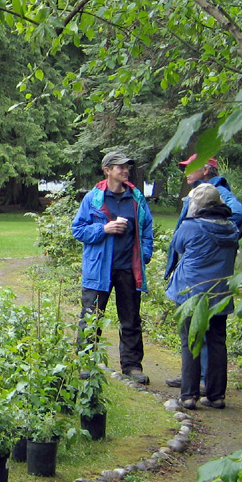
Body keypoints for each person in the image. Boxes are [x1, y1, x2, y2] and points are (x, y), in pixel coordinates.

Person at [164, 154, 242, 389]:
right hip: (212, 279)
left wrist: (213, 234)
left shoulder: (215, 191)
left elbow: (239, 214)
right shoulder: (202, 190)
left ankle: (196, 385)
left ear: (206, 170)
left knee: (198, 333)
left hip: (195, 280)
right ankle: (203, 384)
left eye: (190, 168)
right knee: (210, 335)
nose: (186, 173)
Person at [72, 149, 154, 383]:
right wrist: (103, 229)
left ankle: (132, 366)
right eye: (120, 167)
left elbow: (147, 229)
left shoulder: (136, 198)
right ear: (107, 171)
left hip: (129, 268)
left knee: (130, 318)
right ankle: (86, 362)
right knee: (91, 316)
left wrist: (145, 254)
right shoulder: (93, 198)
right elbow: (77, 229)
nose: (126, 171)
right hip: (99, 268)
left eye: (127, 167)